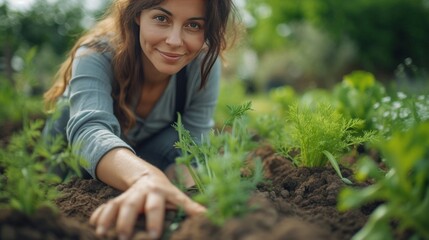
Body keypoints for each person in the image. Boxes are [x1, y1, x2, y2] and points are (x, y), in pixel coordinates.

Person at [42, 0, 238, 239]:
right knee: (67, 118)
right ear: (137, 15)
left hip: (143, 155)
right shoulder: (96, 55)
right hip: (69, 169)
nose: (175, 41)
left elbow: (194, 141)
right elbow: (89, 132)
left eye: (194, 25)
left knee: (190, 146)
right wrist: (146, 177)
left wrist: (190, 190)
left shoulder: (202, 64)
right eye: (161, 18)